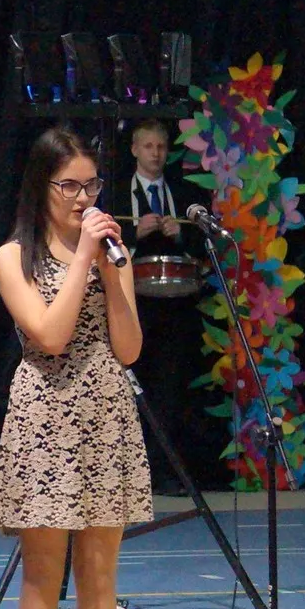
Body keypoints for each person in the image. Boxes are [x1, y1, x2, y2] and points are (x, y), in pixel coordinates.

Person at [0, 126, 151, 609]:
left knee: (101, 574)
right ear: (41, 187)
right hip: (45, 413)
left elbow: (129, 348)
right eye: (69, 186)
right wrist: (85, 257)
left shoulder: (114, 253)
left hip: (105, 411)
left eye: (91, 185)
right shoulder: (13, 258)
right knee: (43, 571)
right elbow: (50, 335)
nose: (84, 199)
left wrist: (112, 269)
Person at [114, 118, 216, 492]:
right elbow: (97, 246)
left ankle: (167, 470)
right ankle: (131, 473)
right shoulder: (118, 196)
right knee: (135, 387)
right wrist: (133, 234)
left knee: (173, 389)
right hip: (134, 305)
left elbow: (205, 248)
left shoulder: (185, 193)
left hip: (177, 305)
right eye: (148, 146)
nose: (155, 154)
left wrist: (182, 235)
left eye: (160, 147)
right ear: (134, 150)